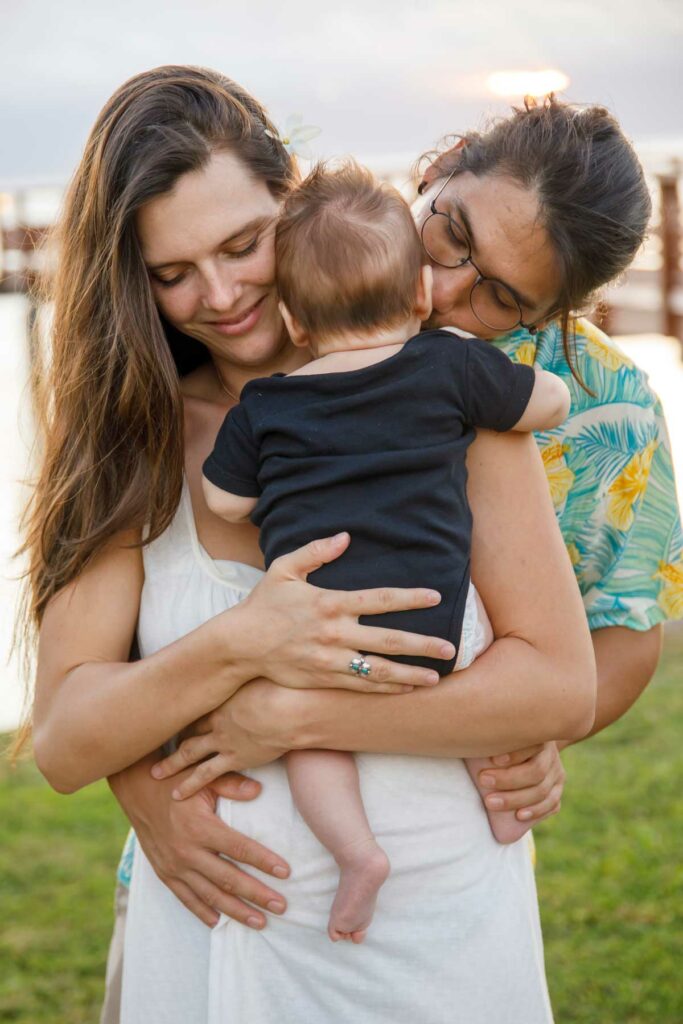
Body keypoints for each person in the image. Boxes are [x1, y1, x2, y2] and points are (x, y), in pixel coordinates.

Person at [19, 67, 670, 1023]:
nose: (222, 292)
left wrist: (288, 717)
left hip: (427, 940)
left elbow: (568, 675)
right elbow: (67, 738)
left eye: (245, 245)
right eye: (170, 274)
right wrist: (239, 650)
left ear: (298, 204)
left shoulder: (455, 398)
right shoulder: (140, 436)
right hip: (202, 935)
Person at [201, 159, 571, 943]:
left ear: (295, 324)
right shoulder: (447, 364)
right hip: (436, 624)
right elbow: (544, 403)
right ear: (416, 296)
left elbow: (222, 501)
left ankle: (355, 852)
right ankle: (502, 810)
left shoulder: (268, 403)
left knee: (314, 744)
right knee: (474, 686)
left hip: (322, 635)